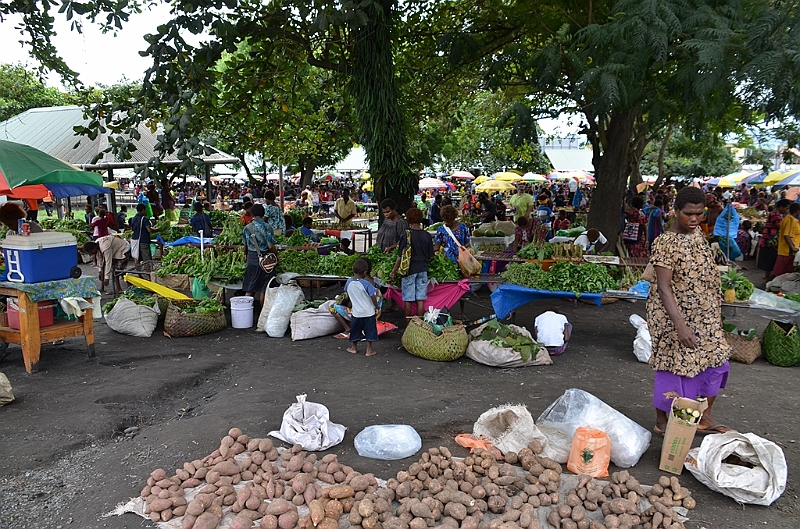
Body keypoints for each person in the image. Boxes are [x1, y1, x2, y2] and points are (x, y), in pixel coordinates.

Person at [648, 186, 735, 437]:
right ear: (676, 211)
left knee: (717, 361)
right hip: (674, 318)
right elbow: (664, 288)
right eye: (688, 214)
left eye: (699, 214)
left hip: (705, 317)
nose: (695, 219)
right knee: (675, 367)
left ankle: (703, 418)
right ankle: (663, 421)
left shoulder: (697, 235)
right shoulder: (665, 243)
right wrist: (680, 325)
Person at [390, 207, 434, 319]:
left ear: (409, 220)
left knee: (408, 300)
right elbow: (431, 257)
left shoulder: (406, 235)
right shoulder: (427, 235)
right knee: (420, 300)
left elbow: (400, 257)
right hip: (423, 270)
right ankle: (419, 327)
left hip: (409, 271)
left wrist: (393, 271)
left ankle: (408, 326)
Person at [434, 205, 471, 320]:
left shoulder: (462, 227)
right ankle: (447, 310)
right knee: (448, 287)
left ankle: (462, 312)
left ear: (454, 217)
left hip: (458, 262)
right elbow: (437, 246)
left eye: (449, 219)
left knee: (462, 286)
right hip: (449, 263)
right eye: (446, 219)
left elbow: (467, 243)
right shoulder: (442, 229)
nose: (447, 222)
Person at [241, 204, 277, 305]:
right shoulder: (267, 227)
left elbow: (245, 247)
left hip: (252, 258)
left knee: (250, 289)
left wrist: (246, 256)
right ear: (263, 214)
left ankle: (245, 313)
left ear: (252, 214)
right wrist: (277, 254)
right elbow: (270, 246)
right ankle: (263, 317)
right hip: (266, 261)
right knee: (264, 289)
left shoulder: (247, 228)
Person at [344, 259, 379, 356]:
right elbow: (373, 296)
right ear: (365, 272)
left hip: (356, 313)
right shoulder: (367, 284)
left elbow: (347, 292)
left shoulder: (348, 282)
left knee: (355, 331)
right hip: (368, 313)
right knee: (370, 331)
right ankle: (369, 350)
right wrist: (376, 307)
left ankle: (354, 348)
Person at [757, 199, 789, 281]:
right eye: (786, 208)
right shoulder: (775, 214)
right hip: (769, 241)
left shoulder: (778, 214)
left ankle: (768, 278)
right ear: (781, 207)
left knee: (771, 260)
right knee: (769, 260)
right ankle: (767, 279)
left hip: (771, 241)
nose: (786, 210)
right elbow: (780, 226)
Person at [772, 203, 800, 277]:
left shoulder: (791, 219)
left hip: (788, 251)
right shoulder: (791, 220)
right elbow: (787, 235)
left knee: (784, 273)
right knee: (780, 272)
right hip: (787, 251)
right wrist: (792, 247)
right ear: (797, 211)